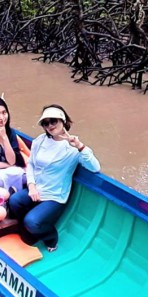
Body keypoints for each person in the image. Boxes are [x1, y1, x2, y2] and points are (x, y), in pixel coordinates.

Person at [8, 105, 99, 252]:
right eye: (46, 123)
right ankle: (29, 227)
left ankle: (50, 237)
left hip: (55, 195)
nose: (50, 126)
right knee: (14, 201)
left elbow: (95, 167)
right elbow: (31, 164)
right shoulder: (41, 140)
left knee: (31, 221)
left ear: (63, 121)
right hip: (36, 189)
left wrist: (80, 147)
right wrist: (31, 185)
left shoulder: (73, 146)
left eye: (53, 121)